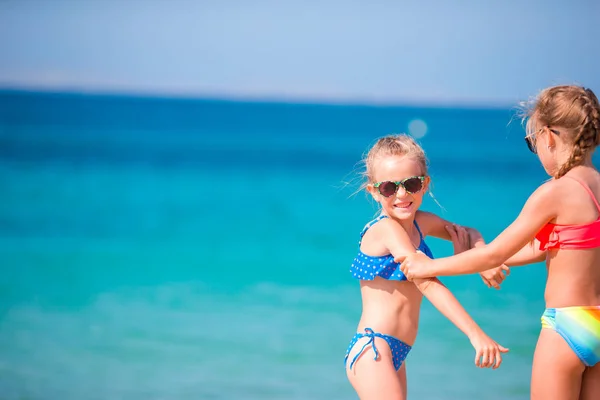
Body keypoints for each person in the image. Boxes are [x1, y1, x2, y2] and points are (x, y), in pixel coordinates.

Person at [398, 85, 600, 400]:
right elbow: (548, 247)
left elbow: (494, 253)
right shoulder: (595, 188)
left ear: (548, 136)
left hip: (567, 327)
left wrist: (429, 265)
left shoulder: (555, 191)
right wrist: (489, 257)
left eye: (533, 142)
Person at [344, 134, 509, 400]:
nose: (401, 195)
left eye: (411, 184)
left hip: (397, 351)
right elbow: (427, 282)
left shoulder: (423, 222)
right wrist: (474, 333)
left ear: (425, 184)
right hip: (373, 347)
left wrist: (480, 255)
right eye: (388, 187)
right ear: (374, 191)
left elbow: (468, 231)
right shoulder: (385, 229)